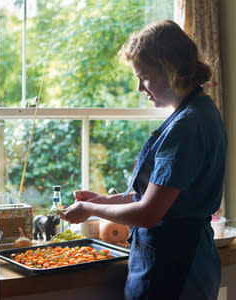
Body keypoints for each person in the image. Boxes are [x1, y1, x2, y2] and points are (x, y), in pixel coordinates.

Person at [61, 20, 227, 299]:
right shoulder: (200, 111)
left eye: (145, 77)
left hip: (174, 267)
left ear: (171, 70)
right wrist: (100, 201)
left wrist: (90, 209)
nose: (140, 88)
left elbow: (149, 213)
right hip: (183, 260)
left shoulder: (186, 127)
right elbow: (158, 198)